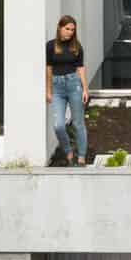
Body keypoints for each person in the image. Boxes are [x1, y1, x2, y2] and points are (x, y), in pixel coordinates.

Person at [46, 14, 88, 166]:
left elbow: (80, 68)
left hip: (73, 85)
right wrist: (48, 90)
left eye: (72, 30)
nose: (70, 32)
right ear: (60, 28)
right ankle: (69, 152)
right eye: (67, 29)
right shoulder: (50, 46)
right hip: (57, 88)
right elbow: (49, 69)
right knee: (58, 125)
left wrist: (85, 89)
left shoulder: (76, 46)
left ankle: (82, 156)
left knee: (78, 123)